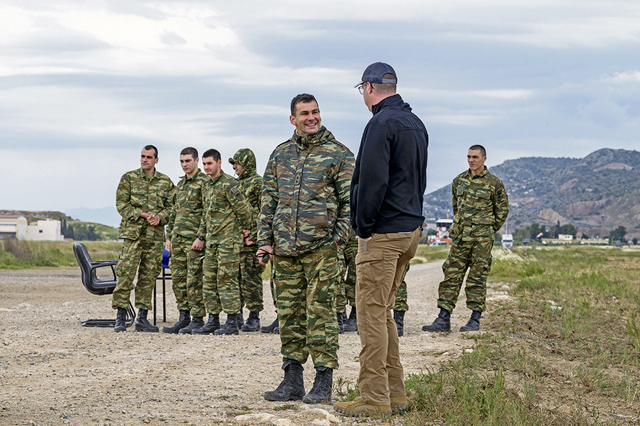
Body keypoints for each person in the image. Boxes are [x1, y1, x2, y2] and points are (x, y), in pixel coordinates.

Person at [334, 62, 428, 417]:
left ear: (369, 88)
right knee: (383, 312)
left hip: (384, 234)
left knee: (370, 316)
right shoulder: (415, 123)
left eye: (362, 89)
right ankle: (395, 393)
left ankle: (374, 398)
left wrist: (363, 227)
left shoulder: (380, 124)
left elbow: (372, 182)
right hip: (409, 230)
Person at [257, 93, 354, 404]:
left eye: (315, 112)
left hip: (322, 250)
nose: (311, 118)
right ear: (293, 119)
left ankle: (323, 382)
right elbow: (268, 201)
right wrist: (265, 240)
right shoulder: (280, 155)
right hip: (284, 251)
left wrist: (337, 239)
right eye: (304, 113)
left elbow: (351, 202)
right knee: (289, 315)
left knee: (321, 314)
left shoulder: (338, 154)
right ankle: (292, 380)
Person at [422, 145, 509, 333]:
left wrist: (486, 229)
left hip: (481, 240)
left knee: (477, 276)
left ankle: (474, 319)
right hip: (461, 237)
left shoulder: (494, 183)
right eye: (469, 157)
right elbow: (457, 208)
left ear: (484, 158)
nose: (471, 160)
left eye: (475, 157)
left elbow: (502, 211)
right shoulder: (459, 181)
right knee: (451, 275)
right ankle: (443, 318)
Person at [112, 145, 175, 333]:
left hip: (154, 237)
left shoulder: (165, 182)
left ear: (156, 160)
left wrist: (160, 217)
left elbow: (173, 207)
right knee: (125, 274)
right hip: (133, 236)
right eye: (142, 156)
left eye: (148, 157)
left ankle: (142, 319)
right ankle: (120, 317)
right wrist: (141, 214)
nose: (144, 160)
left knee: (148, 277)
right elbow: (121, 205)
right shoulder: (129, 178)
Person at [192, 149, 253, 336]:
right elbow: (206, 214)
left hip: (228, 241)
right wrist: (201, 236)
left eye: (209, 163)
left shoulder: (230, 185)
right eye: (204, 164)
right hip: (212, 242)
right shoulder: (206, 185)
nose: (206, 167)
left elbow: (245, 210)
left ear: (219, 163)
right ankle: (213, 320)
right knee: (209, 281)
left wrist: (247, 230)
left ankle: (232, 321)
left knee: (227, 281)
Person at [162, 147, 208, 334]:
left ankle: (197, 319)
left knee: (194, 280)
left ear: (196, 161)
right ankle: (184, 318)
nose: (184, 165)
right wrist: (169, 237)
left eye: (188, 161)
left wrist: (201, 236)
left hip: (194, 241)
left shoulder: (204, 182)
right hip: (178, 240)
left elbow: (207, 211)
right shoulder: (180, 185)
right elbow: (174, 212)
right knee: (179, 280)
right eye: (181, 161)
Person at [229, 148, 266, 332]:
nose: (234, 167)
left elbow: (263, 211)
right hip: (235, 240)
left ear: (247, 164)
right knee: (235, 279)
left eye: (237, 163)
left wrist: (253, 235)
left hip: (251, 242)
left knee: (250, 279)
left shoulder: (258, 183)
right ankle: (236, 315)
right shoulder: (234, 184)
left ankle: (254, 316)